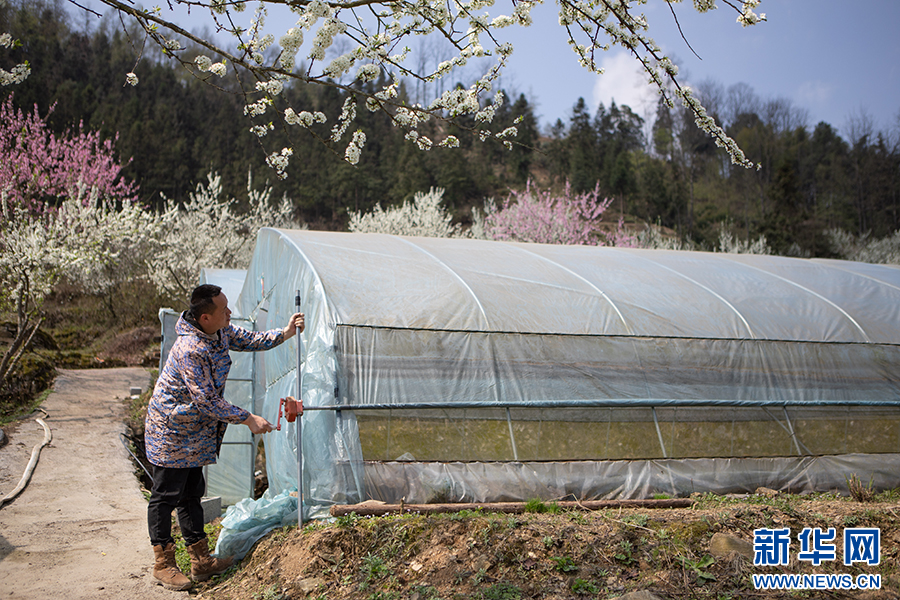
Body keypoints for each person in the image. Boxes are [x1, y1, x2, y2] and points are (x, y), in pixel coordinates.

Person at [144, 284, 304, 591]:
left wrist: (285, 333)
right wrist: (247, 418)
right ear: (205, 317)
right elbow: (205, 400)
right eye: (224, 309)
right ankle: (163, 564)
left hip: (195, 430)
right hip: (172, 430)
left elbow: (251, 340)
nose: (230, 313)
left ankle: (201, 561)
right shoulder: (190, 349)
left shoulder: (220, 332)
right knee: (166, 495)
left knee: (192, 491)